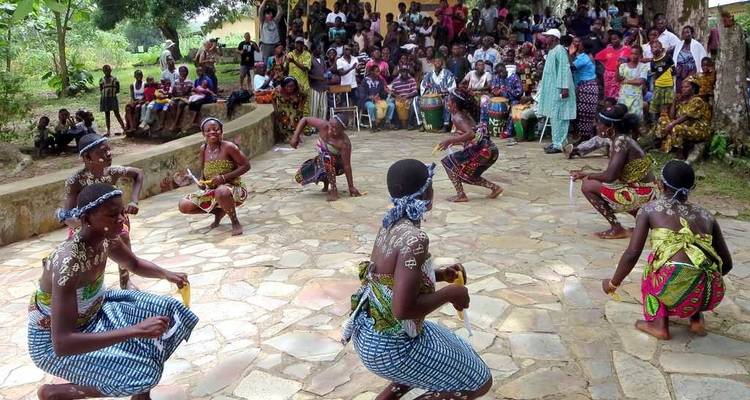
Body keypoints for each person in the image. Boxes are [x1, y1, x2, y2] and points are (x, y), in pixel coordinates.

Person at [30, 183, 198, 400]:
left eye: (121, 212)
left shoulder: (107, 239)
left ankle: (141, 396)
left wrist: (166, 274)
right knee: (141, 374)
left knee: (169, 311)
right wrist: (136, 330)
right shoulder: (68, 263)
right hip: (52, 344)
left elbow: (134, 264)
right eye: (112, 215)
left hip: (96, 310)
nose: (121, 219)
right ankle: (57, 392)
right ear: (88, 219)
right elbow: (63, 343)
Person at [342, 158, 492, 400]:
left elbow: (391, 281)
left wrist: (439, 275)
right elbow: (402, 309)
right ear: (427, 194)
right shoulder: (415, 239)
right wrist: (451, 294)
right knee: (477, 383)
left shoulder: (390, 225)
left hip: (372, 334)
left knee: (451, 349)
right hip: (390, 346)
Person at [602, 160, 732, 340]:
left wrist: (613, 283)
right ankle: (696, 320)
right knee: (699, 266)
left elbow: (632, 253)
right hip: (708, 293)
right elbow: (727, 264)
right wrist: (701, 279)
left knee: (656, 264)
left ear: (661, 185)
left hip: (672, 284)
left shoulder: (649, 210)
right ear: (692, 187)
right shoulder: (707, 215)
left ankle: (658, 325)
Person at [57, 133, 144, 290]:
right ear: (87, 158)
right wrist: (82, 223)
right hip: (86, 224)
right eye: (102, 152)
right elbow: (69, 213)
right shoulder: (75, 181)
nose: (108, 154)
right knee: (79, 250)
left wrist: (134, 200)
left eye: (108, 150)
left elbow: (139, 173)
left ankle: (125, 281)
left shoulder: (112, 172)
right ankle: (83, 287)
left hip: (113, 221)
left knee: (122, 236)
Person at [571, 104, 657, 239]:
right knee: (594, 181)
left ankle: (617, 228)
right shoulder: (620, 139)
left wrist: (586, 175)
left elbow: (610, 176)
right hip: (644, 190)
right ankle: (644, 220)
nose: (596, 126)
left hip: (643, 193)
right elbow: (612, 174)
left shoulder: (620, 142)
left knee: (588, 185)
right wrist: (586, 174)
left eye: (599, 124)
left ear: (610, 126)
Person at [178, 118, 250, 236]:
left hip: (233, 188)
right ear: (203, 134)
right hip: (212, 190)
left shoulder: (229, 147)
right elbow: (203, 169)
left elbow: (246, 166)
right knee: (184, 205)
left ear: (221, 132)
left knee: (221, 191)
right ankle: (219, 212)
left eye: (216, 129)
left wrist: (223, 178)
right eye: (208, 130)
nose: (212, 132)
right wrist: (201, 181)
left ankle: (235, 222)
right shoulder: (203, 148)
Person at [437, 88, 503, 202]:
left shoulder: (457, 117)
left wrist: (450, 140)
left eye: (448, 100)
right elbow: (473, 137)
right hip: (490, 150)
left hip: (483, 151)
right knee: (467, 175)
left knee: (448, 163)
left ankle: (461, 195)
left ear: (453, 104)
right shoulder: (465, 115)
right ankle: (495, 188)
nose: (446, 103)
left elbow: (471, 134)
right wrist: (456, 142)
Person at [290, 115, 362, 202]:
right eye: (331, 126)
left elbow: (346, 166)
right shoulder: (323, 126)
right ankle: (326, 181)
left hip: (338, 167)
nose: (331, 130)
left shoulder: (344, 143)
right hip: (323, 162)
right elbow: (305, 119)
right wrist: (295, 136)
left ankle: (334, 190)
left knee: (326, 157)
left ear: (342, 130)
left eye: (336, 129)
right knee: (299, 177)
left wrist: (351, 187)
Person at [537, 29, 576, 154]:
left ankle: (559, 144)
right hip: (553, 89)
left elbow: (564, 69)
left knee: (560, 116)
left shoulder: (560, 50)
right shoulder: (552, 51)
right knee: (555, 117)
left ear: (554, 38)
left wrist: (565, 87)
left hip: (560, 89)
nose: (545, 39)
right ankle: (556, 142)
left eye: (547, 36)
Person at [656, 80, 712, 156]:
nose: (683, 89)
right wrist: (674, 101)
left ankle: (680, 155)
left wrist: (672, 124)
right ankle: (661, 143)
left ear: (693, 89)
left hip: (699, 130)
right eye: (683, 87)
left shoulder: (697, 100)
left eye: (686, 87)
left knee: (676, 128)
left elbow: (687, 116)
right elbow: (672, 116)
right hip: (686, 127)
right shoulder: (684, 102)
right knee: (663, 120)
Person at [570, 38, 599, 141]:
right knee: (587, 114)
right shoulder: (589, 56)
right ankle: (586, 136)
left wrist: (570, 54)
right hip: (591, 86)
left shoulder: (584, 57)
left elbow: (571, 67)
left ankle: (584, 138)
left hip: (585, 87)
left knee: (583, 114)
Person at [418, 57, 456, 132]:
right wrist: (427, 94)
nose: (438, 62)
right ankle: (422, 124)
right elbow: (423, 85)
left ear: (442, 64)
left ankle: (445, 125)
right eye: (436, 61)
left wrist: (442, 93)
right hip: (431, 97)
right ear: (433, 63)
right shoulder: (429, 74)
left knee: (448, 99)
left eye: (439, 61)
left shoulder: (448, 73)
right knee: (416, 100)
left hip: (444, 96)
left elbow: (452, 86)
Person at [595, 30, 631, 99]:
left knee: (619, 95)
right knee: (608, 95)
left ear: (620, 39)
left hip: (621, 75)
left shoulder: (627, 49)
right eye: (611, 39)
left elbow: (631, 60)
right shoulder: (608, 49)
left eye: (615, 39)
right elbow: (597, 57)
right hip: (608, 76)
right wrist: (605, 65)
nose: (613, 41)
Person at [360, 65, 395, 131]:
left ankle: (387, 122)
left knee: (391, 105)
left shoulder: (380, 81)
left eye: (379, 71)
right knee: (371, 106)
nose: (378, 73)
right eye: (376, 71)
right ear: (371, 72)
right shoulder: (365, 80)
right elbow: (361, 94)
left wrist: (386, 92)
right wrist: (371, 97)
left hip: (379, 100)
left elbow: (383, 94)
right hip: (367, 100)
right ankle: (373, 124)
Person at [272, 77, 307, 142]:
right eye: (287, 86)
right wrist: (275, 109)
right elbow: (273, 99)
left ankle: (296, 136)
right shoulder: (278, 90)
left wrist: (301, 106)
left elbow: (305, 95)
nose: (290, 88)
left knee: (295, 122)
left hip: (295, 109)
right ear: (284, 86)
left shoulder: (299, 88)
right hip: (283, 109)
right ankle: (286, 137)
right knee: (284, 122)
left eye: (292, 86)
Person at [673, 26, 707, 91]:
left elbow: (703, 58)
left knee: (689, 90)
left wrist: (701, 73)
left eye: (687, 32)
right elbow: (674, 59)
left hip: (691, 73)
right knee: (679, 91)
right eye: (683, 33)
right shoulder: (679, 45)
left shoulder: (697, 45)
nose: (685, 34)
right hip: (679, 73)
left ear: (692, 33)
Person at [617, 46, 648, 118]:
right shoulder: (623, 66)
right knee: (622, 117)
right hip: (623, 96)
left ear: (640, 55)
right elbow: (618, 80)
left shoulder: (643, 67)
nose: (633, 56)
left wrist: (626, 81)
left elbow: (640, 81)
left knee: (635, 118)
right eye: (631, 53)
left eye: (636, 54)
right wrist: (616, 68)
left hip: (636, 97)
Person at [649, 40, 675, 125]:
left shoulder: (667, 57)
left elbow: (673, 71)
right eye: (652, 47)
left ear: (661, 48)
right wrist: (654, 84)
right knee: (655, 104)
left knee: (666, 104)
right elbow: (654, 74)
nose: (654, 49)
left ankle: (665, 123)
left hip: (668, 85)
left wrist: (672, 82)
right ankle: (655, 123)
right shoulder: (652, 62)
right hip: (658, 85)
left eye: (656, 47)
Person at [287, 37, 312, 116]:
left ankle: (306, 127)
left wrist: (293, 61)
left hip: (303, 85)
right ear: (294, 44)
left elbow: (305, 68)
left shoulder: (307, 54)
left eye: (301, 43)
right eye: (297, 43)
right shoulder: (290, 54)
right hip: (291, 86)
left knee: (304, 108)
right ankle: (294, 127)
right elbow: (284, 68)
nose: (299, 45)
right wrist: (286, 62)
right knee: (292, 107)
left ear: (303, 45)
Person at [99, 65, 126, 136]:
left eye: (108, 70)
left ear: (110, 70)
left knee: (117, 113)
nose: (106, 72)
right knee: (107, 114)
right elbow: (101, 89)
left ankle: (124, 128)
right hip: (105, 98)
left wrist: (111, 92)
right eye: (105, 70)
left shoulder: (114, 79)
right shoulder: (101, 80)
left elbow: (118, 90)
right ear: (103, 71)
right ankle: (108, 131)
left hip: (113, 98)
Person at [166, 66, 194, 132]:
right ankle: (176, 123)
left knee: (180, 104)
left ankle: (175, 124)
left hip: (185, 98)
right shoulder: (176, 81)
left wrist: (181, 85)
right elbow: (174, 92)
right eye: (180, 71)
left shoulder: (189, 81)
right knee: (170, 104)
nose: (182, 73)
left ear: (186, 73)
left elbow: (185, 92)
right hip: (177, 97)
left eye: (183, 71)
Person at [309, 46, 330, 119]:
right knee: (314, 108)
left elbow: (326, 72)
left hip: (323, 87)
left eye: (320, 48)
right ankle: (312, 127)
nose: (320, 50)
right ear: (314, 50)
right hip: (315, 87)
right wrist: (318, 78)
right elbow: (308, 74)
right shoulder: (310, 60)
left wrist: (327, 76)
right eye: (318, 48)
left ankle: (322, 125)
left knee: (323, 108)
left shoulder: (322, 60)